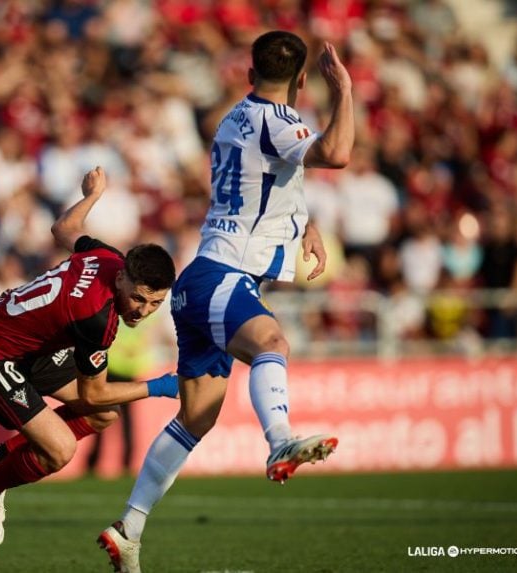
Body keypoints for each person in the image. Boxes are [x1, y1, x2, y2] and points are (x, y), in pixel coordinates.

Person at [97, 31, 355, 572]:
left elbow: (267, 179)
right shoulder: (281, 122)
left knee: (196, 418)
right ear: (304, 80)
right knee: (272, 341)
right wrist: (345, 91)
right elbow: (338, 152)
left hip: (200, 280)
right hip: (224, 276)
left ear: (248, 72)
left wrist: (304, 222)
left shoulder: (233, 118)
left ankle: (130, 528)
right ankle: (280, 439)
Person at [0, 167, 178, 546]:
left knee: (105, 415)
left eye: (155, 303)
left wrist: (92, 196)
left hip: (25, 344)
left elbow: (62, 228)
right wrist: (161, 386)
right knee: (60, 450)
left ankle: (1, 454)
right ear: (122, 278)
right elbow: (93, 393)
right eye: (139, 298)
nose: (142, 311)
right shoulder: (99, 319)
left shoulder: (106, 255)